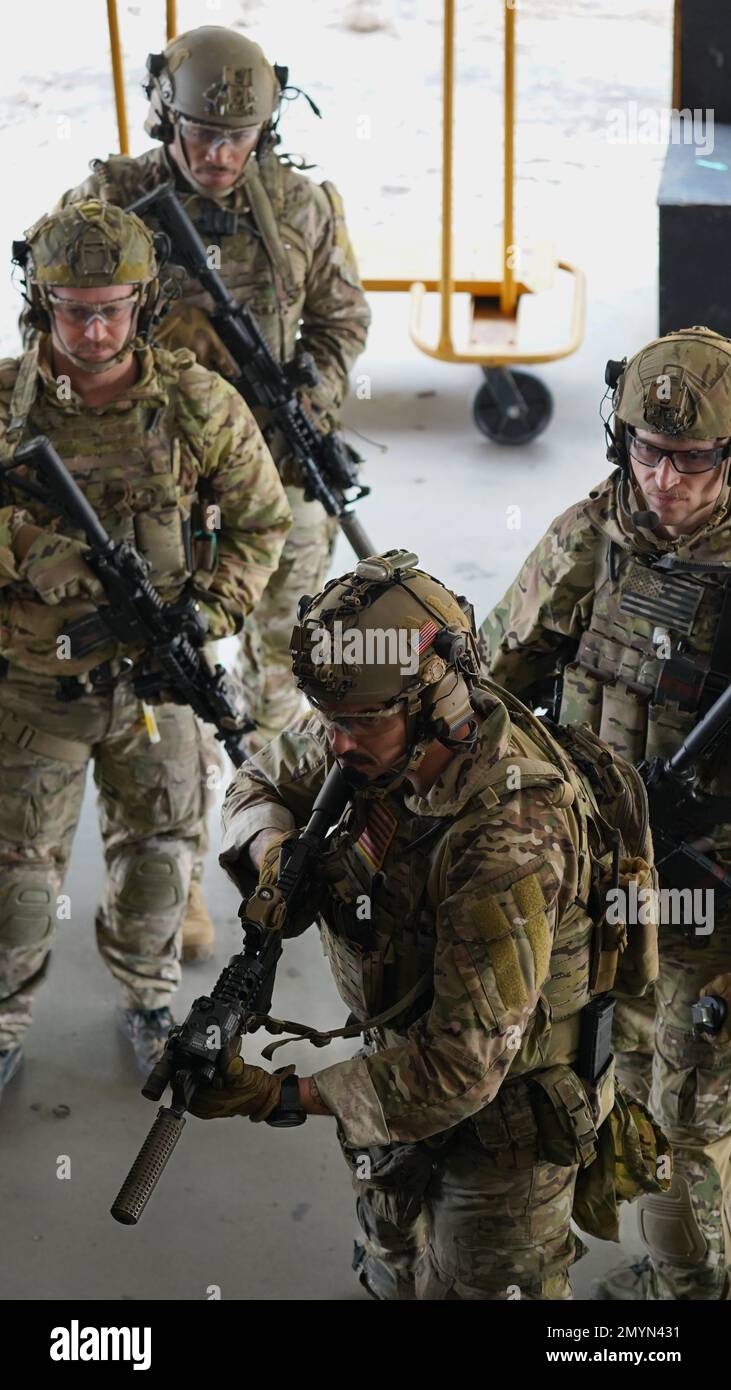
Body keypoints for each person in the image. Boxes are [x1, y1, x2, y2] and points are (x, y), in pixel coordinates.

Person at [188, 550, 661, 1301]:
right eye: (327, 721)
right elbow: (258, 780)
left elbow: (460, 1068)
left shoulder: (508, 837)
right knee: (390, 1267)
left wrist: (278, 1097)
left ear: (439, 702)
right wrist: (274, 849)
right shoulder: (376, 724)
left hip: (504, 1127)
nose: (336, 744)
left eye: (356, 724)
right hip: (392, 1070)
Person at [56, 25, 371, 961]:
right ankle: (180, 882)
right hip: (157, 486)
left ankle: (270, 855)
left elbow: (341, 318)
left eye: (236, 137)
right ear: (166, 116)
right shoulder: (111, 204)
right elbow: (63, 316)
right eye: (198, 134)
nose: (217, 155)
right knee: (180, 685)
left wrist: (307, 396)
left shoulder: (301, 205)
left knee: (285, 683)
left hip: (274, 472)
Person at [0, 200, 290, 1093]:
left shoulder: (198, 403)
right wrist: (33, 550)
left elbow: (260, 526)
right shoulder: (5, 406)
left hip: (156, 690)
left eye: (113, 307)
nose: (93, 328)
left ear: (146, 301)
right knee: (14, 881)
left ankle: (147, 1000)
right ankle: (7, 1021)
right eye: (73, 307)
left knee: (160, 862)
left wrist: (206, 615)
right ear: (40, 302)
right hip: (32, 688)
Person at [480, 326, 731, 1300]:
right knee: (578, 1080)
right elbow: (493, 688)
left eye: (692, 459)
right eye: (645, 452)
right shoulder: (591, 536)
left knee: (680, 1115)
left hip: (706, 904)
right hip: (593, 882)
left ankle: (690, 1291)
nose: (664, 480)